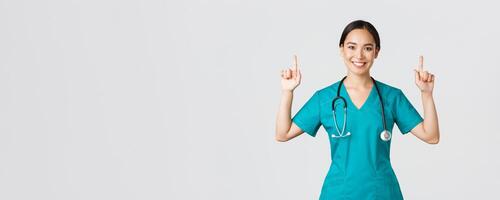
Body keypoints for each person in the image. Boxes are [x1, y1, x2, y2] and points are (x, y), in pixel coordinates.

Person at [275, 20, 440, 199]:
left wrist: (426, 94)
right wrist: (287, 91)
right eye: (352, 47)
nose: (359, 55)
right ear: (341, 49)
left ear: (376, 52)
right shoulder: (325, 98)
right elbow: (283, 133)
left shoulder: (392, 97)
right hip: (338, 193)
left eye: (368, 48)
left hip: (382, 193)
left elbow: (431, 136)